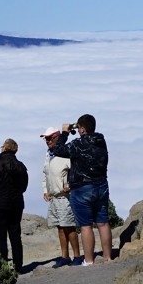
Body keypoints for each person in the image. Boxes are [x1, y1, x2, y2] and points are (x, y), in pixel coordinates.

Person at [49, 113, 111, 265]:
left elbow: (57, 150)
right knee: (103, 223)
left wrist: (65, 132)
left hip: (82, 188)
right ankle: (108, 257)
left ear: (82, 129)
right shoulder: (101, 141)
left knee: (85, 225)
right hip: (101, 185)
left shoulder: (78, 144)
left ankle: (89, 260)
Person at [0, 137, 29, 273]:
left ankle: (2, 267)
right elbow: (24, 186)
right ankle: (18, 267)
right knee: (15, 235)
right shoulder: (21, 166)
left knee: (0, 237)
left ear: (4, 148)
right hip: (16, 204)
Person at [40, 126, 82, 266]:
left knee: (68, 226)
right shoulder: (48, 155)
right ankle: (65, 256)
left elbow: (76, 170)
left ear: (57, 137)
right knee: (60, 226)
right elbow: (45, 174)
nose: (47, 141)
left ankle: (77, 256)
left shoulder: (65, 153)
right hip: (53, 196)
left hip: (64, 196)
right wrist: (45, 190)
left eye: (49, 138)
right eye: (46, 139)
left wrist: (70, 185)